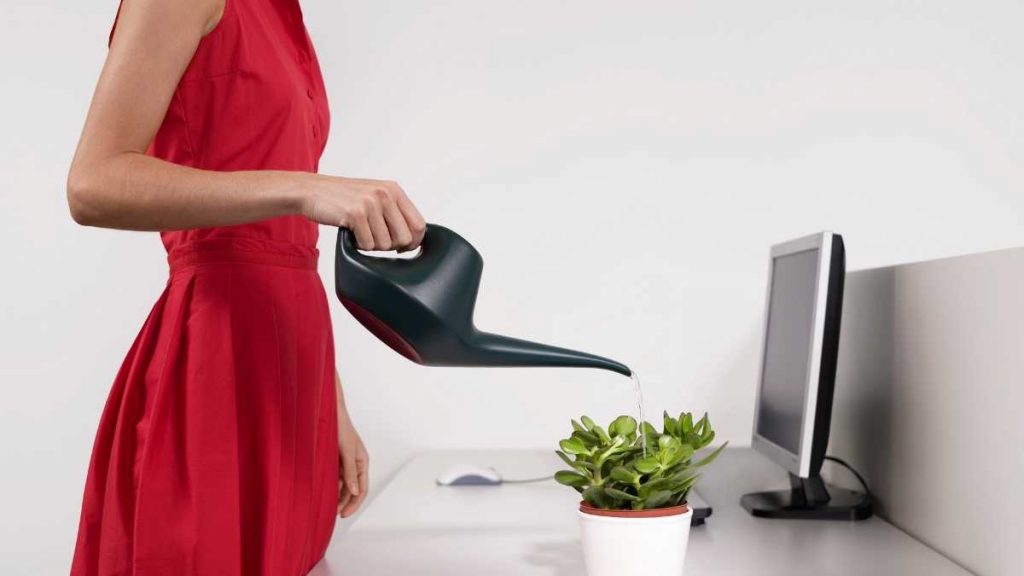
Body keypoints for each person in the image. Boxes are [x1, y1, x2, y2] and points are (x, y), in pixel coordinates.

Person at [65, 0, 425, 573]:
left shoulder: (281, 14)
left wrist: (332, 401)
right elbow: (93, 182)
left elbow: (281, 248)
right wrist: (302, 188)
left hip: (292, 370)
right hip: (219, 361)